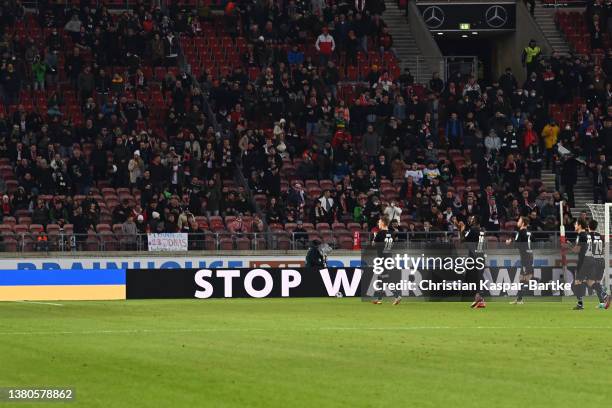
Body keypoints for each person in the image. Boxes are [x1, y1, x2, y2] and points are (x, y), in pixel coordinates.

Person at [372, 215, 401, 305]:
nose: (378, 223)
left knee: (385, 278)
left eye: (379, 222)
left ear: (383, 223)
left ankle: (397, 296)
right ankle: (379, 299)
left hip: (382, 258)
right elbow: (392, 244)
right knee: (381, 278)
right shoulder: (391, 233)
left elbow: (374, 244)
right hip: (388, 257)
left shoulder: (380, 233)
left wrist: (374, 237)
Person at [460, 216, 486, 308]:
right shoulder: (482, 230)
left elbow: (462, 240)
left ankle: (480, 299)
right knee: (477, 278)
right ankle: (479, 299)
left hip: (474, 257)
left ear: (475, 221)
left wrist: (462, 230)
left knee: (473, 278)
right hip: (481, 256)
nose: (470, 220)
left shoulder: (473, 230)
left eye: (472, 219)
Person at [506, 216, 533, 304]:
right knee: (523, 278)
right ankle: (519, 298)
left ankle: (520, 299)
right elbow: (534, 241)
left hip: (525, 257)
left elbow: (517, 245)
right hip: (530, 256)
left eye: (519, 220)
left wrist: (510, 242)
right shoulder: (529, 232)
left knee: (523, 278)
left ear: (523, 223)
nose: (517, 222)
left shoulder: (520, 232)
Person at [585, 220, 610, 309]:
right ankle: (602, 303)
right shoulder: (599, 236)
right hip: (601, 260)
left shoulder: (587, 236)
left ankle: (605, 295)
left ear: (588, 226)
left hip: (593, 261)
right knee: (597, 283)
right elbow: (602, 248)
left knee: (589, 282)